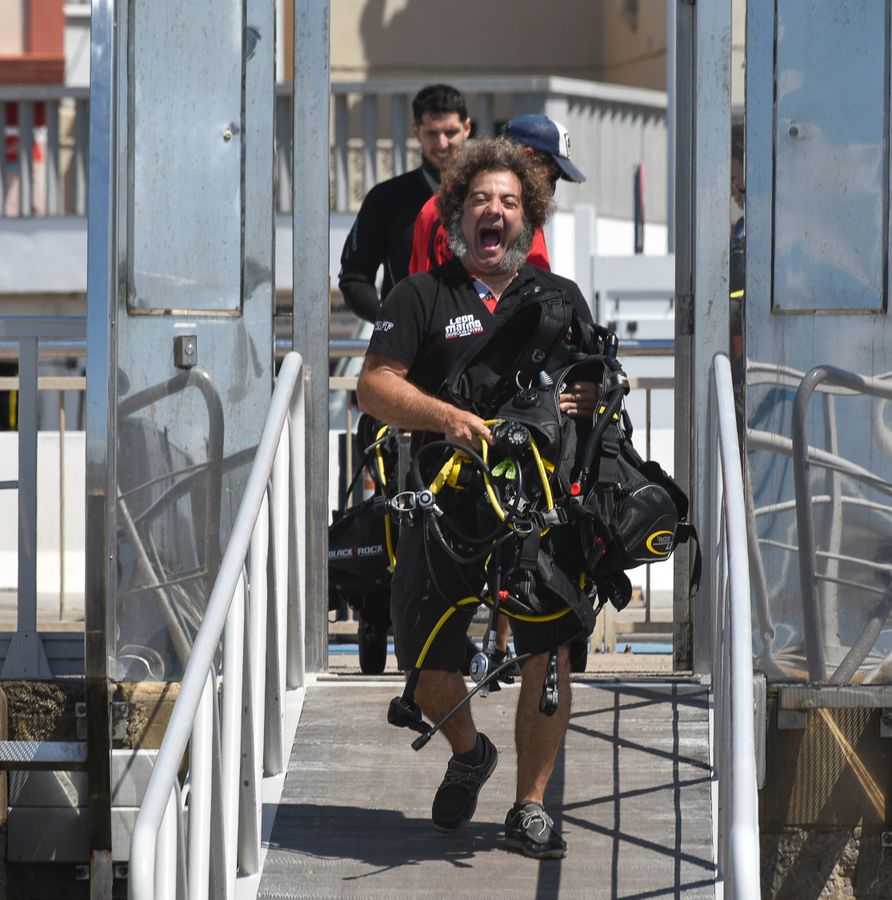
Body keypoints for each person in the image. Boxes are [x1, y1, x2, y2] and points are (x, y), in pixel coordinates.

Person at [357, 138, 601, 860]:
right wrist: (448, 418)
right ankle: (469, 751)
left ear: (528, 218)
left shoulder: (559, 299)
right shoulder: (419, 295)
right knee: (429, 673)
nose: (494, 212)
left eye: (509, 201)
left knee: (546, 656)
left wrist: (589, 397)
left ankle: (530, 806)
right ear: (457, 213)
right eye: (480, 200)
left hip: (539, 514)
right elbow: (374, 386)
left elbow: (600, 393)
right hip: (441, 512)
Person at [337, 84, 472, 322]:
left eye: (450, 132)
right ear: (416, 131)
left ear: (467, 128)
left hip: (478, 345)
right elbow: (354, 278)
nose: (441, 144)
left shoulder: (490, 196)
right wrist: (391, 323)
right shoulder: (386, 198)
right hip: (407, 350)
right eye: (432, 133)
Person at [406, 113, 584, 275]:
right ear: (528, 157)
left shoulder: (432, 206)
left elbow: (415, 286)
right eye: (552, 177)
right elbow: (539, 292)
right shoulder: (519, 218)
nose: (551, 191)